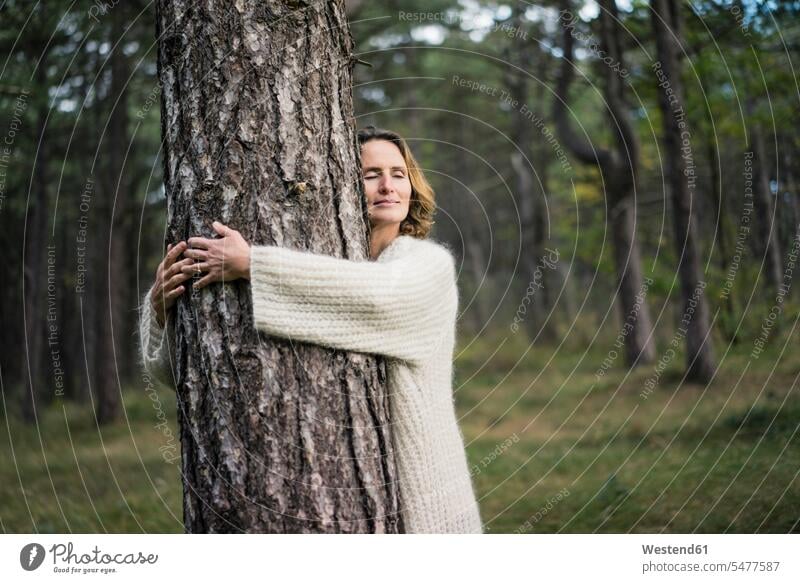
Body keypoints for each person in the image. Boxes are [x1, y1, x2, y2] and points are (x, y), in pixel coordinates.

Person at [139, 126, 483, 533]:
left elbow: (381, 298)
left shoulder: (427, 265)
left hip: (428, 502)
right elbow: (181, 373)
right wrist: (160, 309)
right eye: (371, 174)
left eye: (399, 173)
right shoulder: (317, 265)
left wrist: (253, 265)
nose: (388, 186)